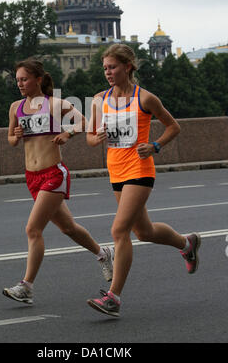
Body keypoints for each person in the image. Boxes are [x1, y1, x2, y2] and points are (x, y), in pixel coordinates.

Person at [86, 44, 201, 318]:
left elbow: (174, 126)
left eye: (112, 67)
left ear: (128, 67)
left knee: (119, 231)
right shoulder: (99, 99)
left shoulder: (145, 98)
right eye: (105, 68)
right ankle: (187, 244)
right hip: (116, 171)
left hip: (140, 169)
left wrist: (155, 146)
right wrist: (96, 137)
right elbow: (90, 138)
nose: (108, 73)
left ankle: (113, 297)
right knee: (144, 231)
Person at [3, 57, 113, 305]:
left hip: (53, 173)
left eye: (24, 79)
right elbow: (10, 139)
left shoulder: (55, 104)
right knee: (68, 228)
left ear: (38, 80)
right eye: (18, 80)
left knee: (33, 229)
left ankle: (26, 286)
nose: (20, 84)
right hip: (31, 177)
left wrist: (67, 133)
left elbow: (84, 122)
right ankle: (103, 253)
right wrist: (16, 135)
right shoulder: (15, 107)